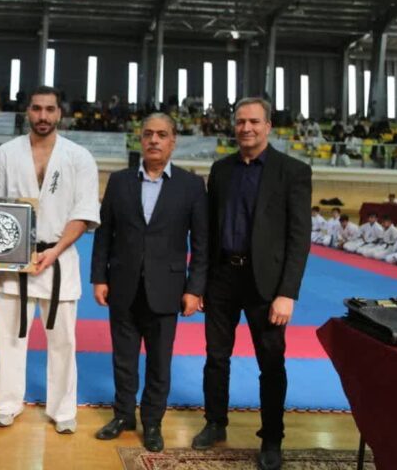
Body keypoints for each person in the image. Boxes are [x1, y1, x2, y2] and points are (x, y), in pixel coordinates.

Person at [192, 97, 311, 470]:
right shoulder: (221, 170)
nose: (246, 128)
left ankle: (272, 437)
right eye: (241, 121)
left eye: (254, 121)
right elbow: (208, 232)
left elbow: (299, 238)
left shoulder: (292, 171)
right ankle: (215, 422)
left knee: (271, 363)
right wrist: (202, 282)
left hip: (268, 283)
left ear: (268, 126)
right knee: (216, 357)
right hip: (222, 277)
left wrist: (287, 293)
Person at [0, 85, 100, 434]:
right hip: (14, 260)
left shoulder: (79, 157)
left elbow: (84, 212)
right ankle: (6, 404)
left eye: (50, 109)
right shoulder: (4, 155)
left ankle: (63, 410)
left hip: (59, 258)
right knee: (9, 337)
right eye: (37, 108)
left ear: (59, 113)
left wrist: (55, 250)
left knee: (63, 341)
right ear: (27, 112)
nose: (43, 116)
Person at [91, 113, 207, 452]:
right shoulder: (119, 181)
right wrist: (99, 277)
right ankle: (123, 415)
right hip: (122, 285)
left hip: (167, 288)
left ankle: (153, 422)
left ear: (173, 141)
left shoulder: (191, 185)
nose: (154, 140)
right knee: (123, 359)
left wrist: (195, 289)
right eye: (148, 134)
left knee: (159, 362)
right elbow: (105, 234)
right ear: (140, 139)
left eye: (162, 134)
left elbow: (201, 244)